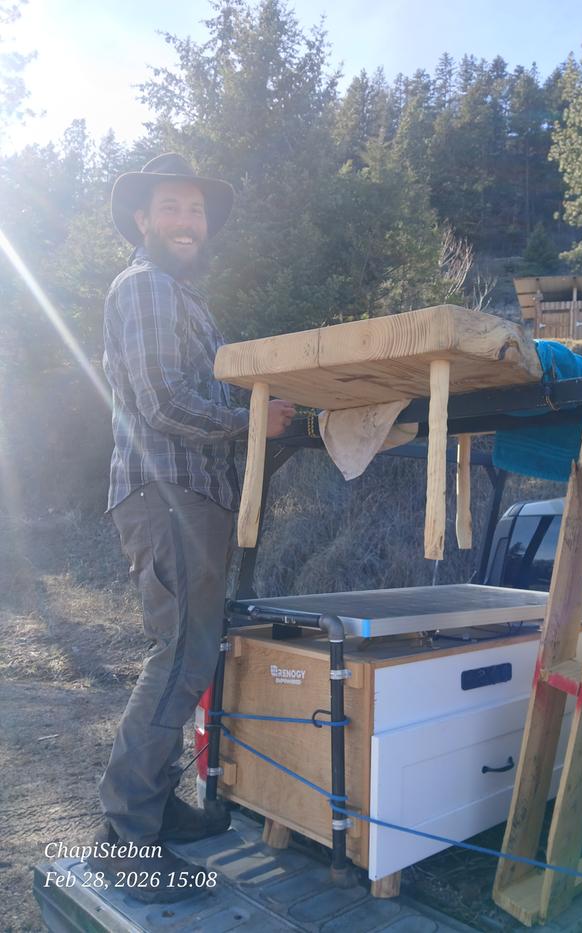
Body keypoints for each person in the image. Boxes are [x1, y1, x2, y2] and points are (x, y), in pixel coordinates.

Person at [92, 153, 295, 902]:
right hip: (168, 493)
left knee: (190, 654)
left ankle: (156, 807)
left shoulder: (179, 295)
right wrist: (252, 423)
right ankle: (126, 839)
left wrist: (263, 419)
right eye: (172, 207)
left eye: (196, 210)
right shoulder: (146, 286)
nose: (187, 221)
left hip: (186, 494)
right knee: (179, 655)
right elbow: (164, 403)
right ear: (143, 218)